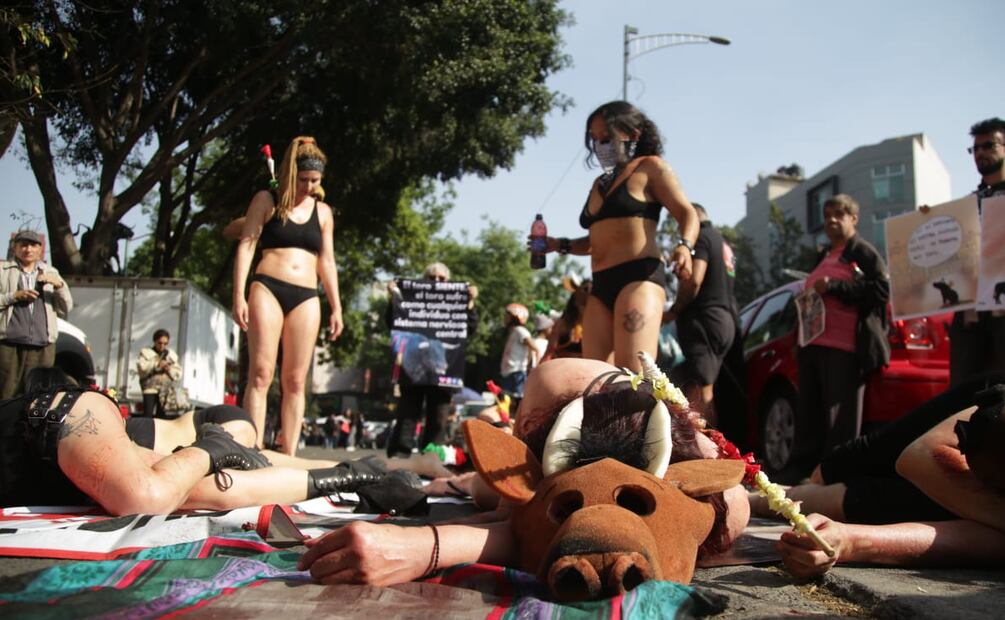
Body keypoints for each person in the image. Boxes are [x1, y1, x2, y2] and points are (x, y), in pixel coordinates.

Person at [298, 357, 751, 586]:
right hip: (556, 407)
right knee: (486, 496)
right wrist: (434, 541)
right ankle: (449, 479)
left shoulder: (722, 504)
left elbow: (518, 534)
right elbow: (523, 521)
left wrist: (425, 546)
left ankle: (451, 481)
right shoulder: (555, 382)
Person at [753, 373, 1005, 578]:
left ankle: (758, 498)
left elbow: (987, 543)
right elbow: (919, 456)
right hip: (954, 438)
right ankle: (762, 493)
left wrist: (848, 541)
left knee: (859, 500)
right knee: (834, 467)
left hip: (980, 494)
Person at [535, 101, 699, 372]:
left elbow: (687, 213)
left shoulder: (650, 168)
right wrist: (559, 245)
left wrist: (684, 247)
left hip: (638, 278)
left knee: (634, 375)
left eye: (606, 138)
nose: (600, 146)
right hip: (601, 285)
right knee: (595, 377)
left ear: (632, 135)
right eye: (595, 140)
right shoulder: (599, 184)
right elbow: (595, 239)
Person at [232, 136, 344, 455]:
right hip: (267, 286)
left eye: (316, 180)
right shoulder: (266, 200)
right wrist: (238, 295)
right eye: (305, 179)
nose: (310, 186)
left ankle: (289, 453)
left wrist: (336, 307)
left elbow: (328, 261)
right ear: (292, 174)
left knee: (295, 380)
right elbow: (246, 245)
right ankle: (251, 448)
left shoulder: (323, 212)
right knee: (261, 373)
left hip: (307, 295)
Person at [795, 194, 889, 468]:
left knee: (840, 417)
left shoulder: (863, 252)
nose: (831, 220)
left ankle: (836, 470)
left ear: (854, 218)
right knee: (811, 413)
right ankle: (804, 473)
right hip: (812, 344)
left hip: (845, 347)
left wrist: (835, 286)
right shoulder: (823, 255)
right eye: (827, 216)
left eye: (838, 214)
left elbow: (882, 291)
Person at [385, 263, 479, 457]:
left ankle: (432, 456)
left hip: (443, 372)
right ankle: (399, 456)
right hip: (413, 370)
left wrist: (470, 303)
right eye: (431, 277)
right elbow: (393, 323)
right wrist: (393, 297)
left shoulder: (457, 302)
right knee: (407, 414)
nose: (436, 282)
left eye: (442, 279)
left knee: (439, 417)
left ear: (449, 282)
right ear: (423, 280)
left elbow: (469, 329)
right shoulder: (409, 300)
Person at [662, 204, 739, 427]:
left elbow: (694, 279)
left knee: (700, 392)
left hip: (704, 320)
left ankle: (706, 454)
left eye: (682, 222)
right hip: (725, 319)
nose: (681, 230)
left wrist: (675, 310)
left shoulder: (702, 237)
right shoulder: (722, 241)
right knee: (708, 388)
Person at [948, 118, 1005, 387]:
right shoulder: (967, 207)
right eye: (975, 148)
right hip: (970, 319)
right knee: (965, 396)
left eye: (989, 145)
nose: (981, 153)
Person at [0, 230, 72, 399]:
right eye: (23, 245)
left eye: (33, 245)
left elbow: (66, 306)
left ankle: (33, 426)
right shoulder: (3, 270)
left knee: (39, 396)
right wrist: (14, 296)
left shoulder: (51, 272)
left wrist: (59, 286)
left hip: (43, 345)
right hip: (9, 344)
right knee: (6, 394)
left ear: (40, 250)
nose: (28, 249)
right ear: (15, 248)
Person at [498, 303, 540, 407]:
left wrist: (533, 366)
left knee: (516, 402)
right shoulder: (513, 331)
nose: (505, 317)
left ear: (516, 317)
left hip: (516, 372)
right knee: (505, 402)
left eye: (507, 315)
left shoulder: (520, 331)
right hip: (508, 372)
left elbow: (534, 348)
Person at [136, 329, 183, 418]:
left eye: (165, 344)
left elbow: (178, 373)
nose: (162, 346)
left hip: (165, 391)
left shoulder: (170, 355)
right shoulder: (146, 353)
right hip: (150, 388)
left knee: (162, 416)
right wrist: (156, 364)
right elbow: (142, 368)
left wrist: (168, 369)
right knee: (148, 415)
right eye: (159, 343)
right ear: (155, 341)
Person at [544, 277, 591, 360]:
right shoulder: (562, 324)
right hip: (562, 367)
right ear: (575, 302)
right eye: (583, 303)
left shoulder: (598, 327)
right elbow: (550, 351)